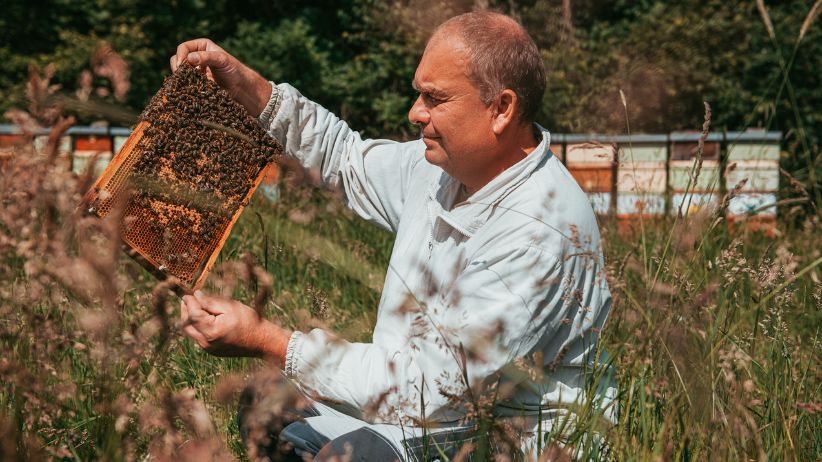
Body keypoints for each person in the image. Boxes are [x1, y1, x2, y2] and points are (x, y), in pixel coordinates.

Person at [174, 10, 616, 462]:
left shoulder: (536, 231)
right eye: (418, 93)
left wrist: (269, 340)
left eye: (435, 98)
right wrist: (248, 88)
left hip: (514, 438)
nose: (415, 112)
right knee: (268, 400)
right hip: (418, 411)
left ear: (501, 109)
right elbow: (343, 157)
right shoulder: (439, 170)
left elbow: (431, 390)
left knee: (357, 456)